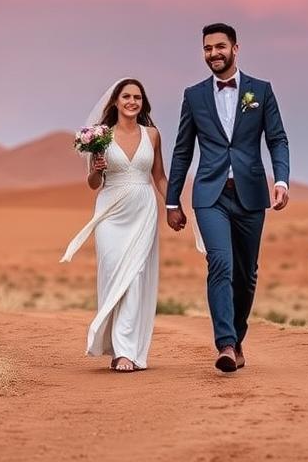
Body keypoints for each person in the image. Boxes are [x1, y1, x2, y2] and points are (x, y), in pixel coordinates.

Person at [166, 23, 290, 372]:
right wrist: (172, 201)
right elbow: (181, 151)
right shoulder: (194, 95)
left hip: (251, 193)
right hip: (210, 194)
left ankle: (237, 337)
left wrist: (281, 179)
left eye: (220, 47)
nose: (213, 54)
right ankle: (225, 344)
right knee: (220, 263)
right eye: (207, 48)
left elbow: (277, 139)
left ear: (236, 48)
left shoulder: (261, 91)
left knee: (247, 273)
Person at [61, 78, 168, 372]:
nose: (132, 102)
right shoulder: (100, 136)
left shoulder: (153, 135)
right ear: (116, 102)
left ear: (143, 103)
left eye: (137, 97)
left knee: (135, 278)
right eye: (126, 97)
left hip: (143, 210)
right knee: (113, 277)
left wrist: (173, 205)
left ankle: (126, 351)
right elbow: (94, 184)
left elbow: (159, 176)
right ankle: (114, 345)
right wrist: (96, 168)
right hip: (110, 212)